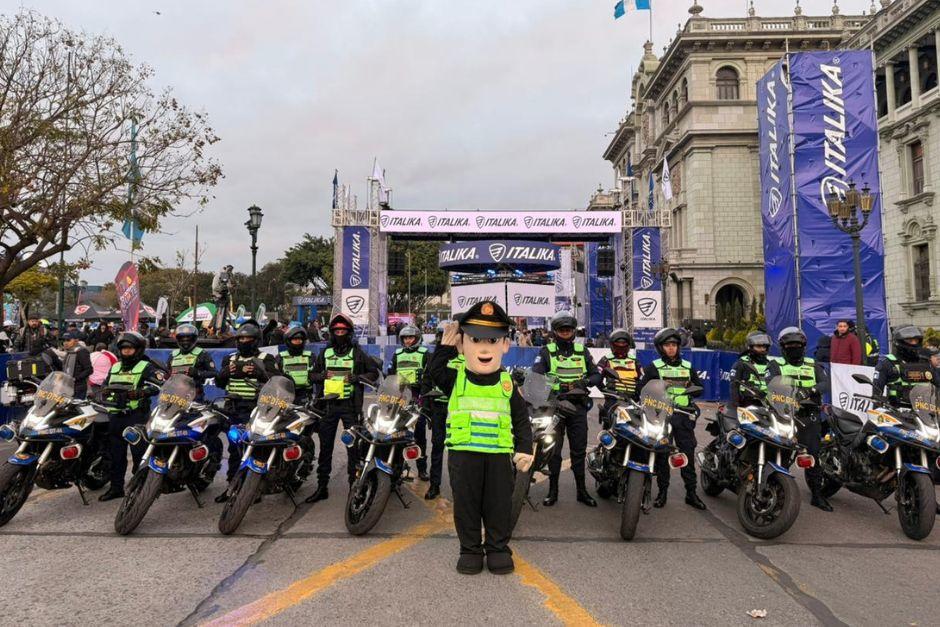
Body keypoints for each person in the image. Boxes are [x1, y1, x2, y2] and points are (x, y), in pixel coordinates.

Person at [426, 301, 533, 575]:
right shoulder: (456, 378)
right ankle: (470, 549)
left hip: (498, 457)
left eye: (493, 340)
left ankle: (497, 548)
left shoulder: (508, 383)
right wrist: (445, 346)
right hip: (464, 456)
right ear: (463, 345)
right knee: (466, 505)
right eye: (475, 340)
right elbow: (434, 372)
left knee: (499, 505)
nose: (484, 348)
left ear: (505, 345)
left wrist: (524, 448)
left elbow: (521, 419)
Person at [305, 313, 379, 503]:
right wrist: (323, 376)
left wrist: (356, 378)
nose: (339, 333)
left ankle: (354, 488)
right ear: (331, 332)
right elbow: (311, 376)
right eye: (336, 330)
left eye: (343, 330)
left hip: (350, 407)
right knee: (325, 448)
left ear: (349, 332)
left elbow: (373, 373)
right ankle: (322, 487)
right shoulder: (325, 353)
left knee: (353, 448)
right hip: (327, 406)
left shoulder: (358, 353)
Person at [532, 311, 601, 507]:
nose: (565, 332)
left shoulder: (583, 351)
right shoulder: (546, 351)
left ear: (574, 332)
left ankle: (582, 491)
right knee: (554, 451)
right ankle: (552, 492)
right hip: (555, 407)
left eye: (568, 329)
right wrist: (557, 385)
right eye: (562, 330)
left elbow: (597, 376)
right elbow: (536, 376)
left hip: (578, 408)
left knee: (578, 451)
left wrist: (584, 381)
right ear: (555, 331)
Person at [637, 327, 707, 510]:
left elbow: (699, 388)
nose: (671, 348)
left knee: (687, 455)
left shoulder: (688, 367)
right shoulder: (654, 367)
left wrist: (694, 390)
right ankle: (662, 493)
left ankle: (691, 494)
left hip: (683, 416)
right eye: (667, 345)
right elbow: (641, 389)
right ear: (661, 347)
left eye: (674, 345)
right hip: (661, 417)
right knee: (662, 455)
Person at [213, 320, 280, 502]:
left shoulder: (266, 358)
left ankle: (254, 487)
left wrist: (259, 372)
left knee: (255, 448)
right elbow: (219, 382)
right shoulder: (230, 359)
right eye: (241, 338)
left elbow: (276, 380)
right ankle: (231, 487)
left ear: (255, 340)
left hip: (256, 409)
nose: (244, 341)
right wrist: (225, 372)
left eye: (248, 338)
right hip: (233, 409)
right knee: (235, 450)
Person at [766, 326, 831, 512]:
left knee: (813, 456)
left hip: (808, 416)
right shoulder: (775, 365)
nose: (794, 347)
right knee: (780, 454)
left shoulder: (812, 364)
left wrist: (813, 390)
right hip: (784, 416)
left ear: (804, 346)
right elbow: (769, 383)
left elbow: (826, 382)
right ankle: (777, 490)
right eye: (790, 345)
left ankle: (817, 495)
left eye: (797, 344)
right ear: (783, 347)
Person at [98, 332, 166, 501]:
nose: (126, 352)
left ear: (137, 350)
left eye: (129, 349)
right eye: (123, 349)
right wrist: (104, 391)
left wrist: (142, 392)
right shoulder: (115, 367)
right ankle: (116, 488)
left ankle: (141, 488)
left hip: (136, 418)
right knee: (116, 456)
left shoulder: (146, 366)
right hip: (115, 417)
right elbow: (105, 385)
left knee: (139, 455)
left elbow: (159, 385)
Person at [386, 325, 431, 480]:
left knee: (419, 435)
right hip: (400, 399)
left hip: (417, 399)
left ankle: (422, 468)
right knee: (396, 435)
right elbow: (389, 374)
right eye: (405, 338)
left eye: (411, 337)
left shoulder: (425, 354)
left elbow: (430, 376)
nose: (408, 341)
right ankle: (395, 468)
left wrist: (423, 390)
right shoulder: (397, 354)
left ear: (417, 338)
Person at [872, 325, 931, 409]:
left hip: (927, 413)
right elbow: (876, 394)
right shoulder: (887, 363)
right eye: (910, 340)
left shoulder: (926, 362)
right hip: (898, 412)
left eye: (916, 340)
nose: (914, 343)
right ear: (899, 342)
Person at [596, 329, 641, 428]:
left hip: (631, 400)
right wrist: (605, 391)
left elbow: (642, 379)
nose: (621, 346)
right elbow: (596, 377)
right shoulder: (606, 359)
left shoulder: (634, 360)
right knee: (609, 431)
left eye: (623, 344)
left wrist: (638, 393)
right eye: (618, 344)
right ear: (612, 345)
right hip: (613, 400)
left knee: (636, 430)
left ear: (628, 345)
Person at [165, 324, 218, 399]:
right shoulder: (173, 354)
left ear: (194, 339)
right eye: (182, 338)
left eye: (188, 338)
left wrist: (198, 373)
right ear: (178, 339)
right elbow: (167, 372)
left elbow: (214, 372)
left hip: (194, 395)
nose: (185, 340)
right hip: (175, 396)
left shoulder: (202, 353)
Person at [727, 331, 773, 414]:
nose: (762, 349)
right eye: (758, 346)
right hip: (747, 404)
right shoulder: (741, 364)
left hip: (769, 404)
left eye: (764, 347)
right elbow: (734, 385)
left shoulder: (771, 364)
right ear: (750, 347)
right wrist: (736, 405)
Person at [276, 326, 314, 404]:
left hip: (305, 394)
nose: (298, 341)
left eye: (300, 339)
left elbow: (317, 373)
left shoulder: (310, 356)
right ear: (289, 341)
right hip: (285, 394)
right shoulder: (280, 357)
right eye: (295, 339)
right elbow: (274, 376)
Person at [61, 331, 93, 399]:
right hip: (68, 387)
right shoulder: (69, 352)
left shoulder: (81, 351)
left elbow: (89, 369)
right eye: (64, 340)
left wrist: (75, 378)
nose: (65, 342)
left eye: (68, 340)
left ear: (76, 340)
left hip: (78, 388)